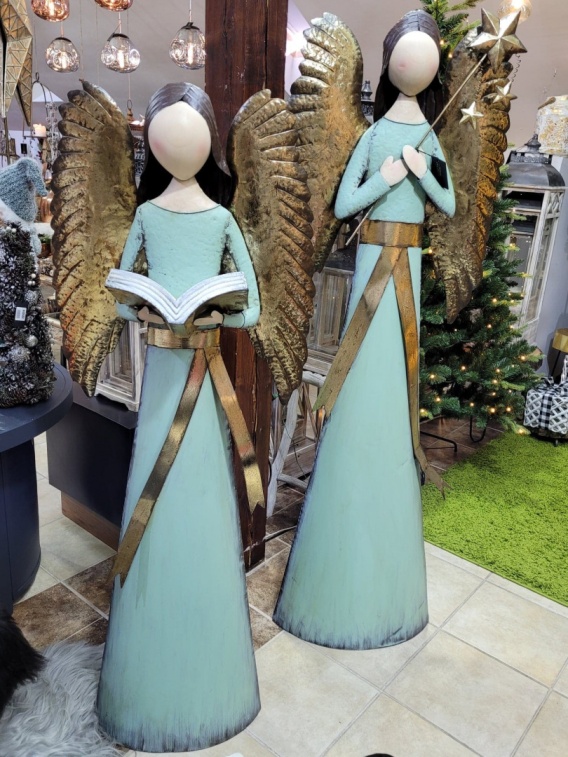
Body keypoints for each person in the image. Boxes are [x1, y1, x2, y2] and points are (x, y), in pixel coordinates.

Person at [274, 11, 456, 650]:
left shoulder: (428, 135)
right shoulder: (375, 134)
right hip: (372, 266)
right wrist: (387, 176)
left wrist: (425, 171)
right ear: (390, 61)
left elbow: (450, 204)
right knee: (359, 384)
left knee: (394, 379)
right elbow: (344, 203)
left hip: (409, 266)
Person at [97, 83, 261, 752]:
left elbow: (252, 310)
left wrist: (216, 314)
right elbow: (120, 297)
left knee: (200, 499)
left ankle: (208, 653)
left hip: (200, 366)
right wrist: (142, 307)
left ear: (208, 137)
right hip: (164, 374)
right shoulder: (147, 214)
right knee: (154, 493)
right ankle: (150, 645)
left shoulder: (221, 219)